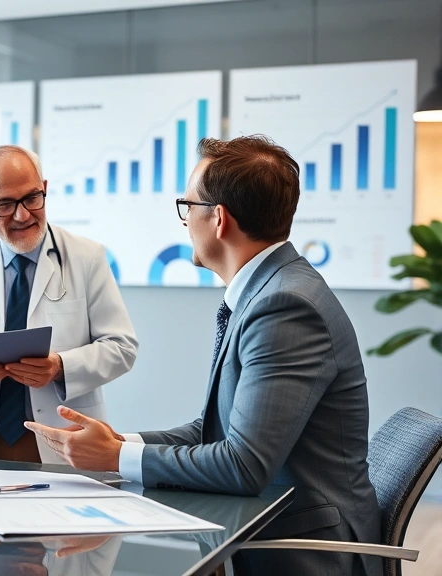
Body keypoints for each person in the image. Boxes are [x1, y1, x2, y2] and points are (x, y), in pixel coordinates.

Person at [26, 135, 381, 576]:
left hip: (304, 549)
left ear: (218, 219)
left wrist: (115, 459)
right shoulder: (271, 290)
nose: (183, 221)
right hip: (275, 524)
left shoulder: (286, 306)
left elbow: (243, 464)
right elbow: (217, 429)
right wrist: (119, 443)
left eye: (187, 207)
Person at [0, 145, 138, 464]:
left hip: (66, 438)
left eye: (31, 198)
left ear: (44, 189)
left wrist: (60, 366)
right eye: (4, 204)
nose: (22, 214)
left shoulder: (87, 257)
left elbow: (121, 346)